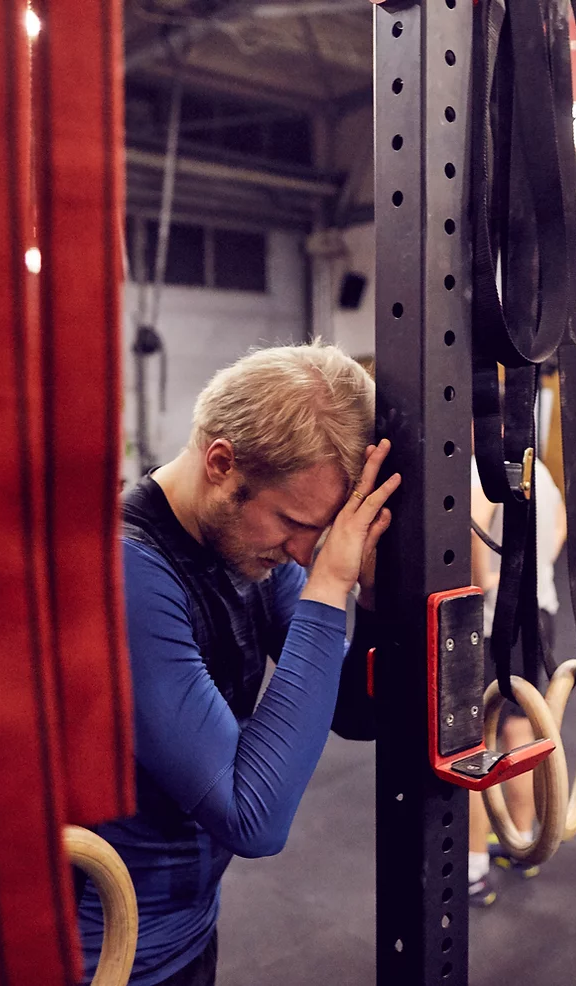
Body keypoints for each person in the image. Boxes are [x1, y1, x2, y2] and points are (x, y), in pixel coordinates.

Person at [78, 342, 400, 986]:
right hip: (103, 962)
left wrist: (376, 597)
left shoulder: (251, 550)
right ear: (221, 463)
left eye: (323, 531)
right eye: (292, 522)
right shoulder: (123, 573)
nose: (306, 552)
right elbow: (252, 816)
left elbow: (357, 711)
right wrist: (329, 589)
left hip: (187, 931)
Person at [466, 454, 566, 906]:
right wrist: (534, 566)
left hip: (494, 622)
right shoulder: (539, 470)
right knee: (519, 728)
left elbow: (475, 520)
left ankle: (471, 868)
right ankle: (520, 839)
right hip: (539, 611)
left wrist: (480, 581)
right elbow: (560, 524)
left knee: (470, 743)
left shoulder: (478, 468)